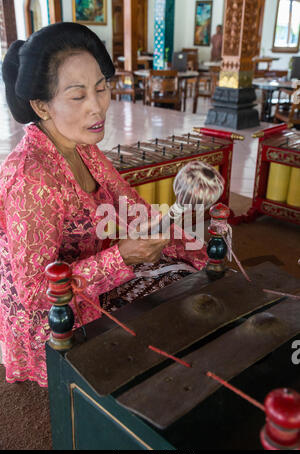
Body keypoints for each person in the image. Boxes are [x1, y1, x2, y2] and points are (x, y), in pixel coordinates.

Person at [0, 22, 208, 388]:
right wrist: (122, 258)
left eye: (102, 87)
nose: (98, 107)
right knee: (159, 335)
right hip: (53, 319)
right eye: (78, 96)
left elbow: (133, 209)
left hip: (94, 276)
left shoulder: (84, 148)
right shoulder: (31, 178)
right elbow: (35, 293)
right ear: (41, 106)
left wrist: (194, 247)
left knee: (191, 284)